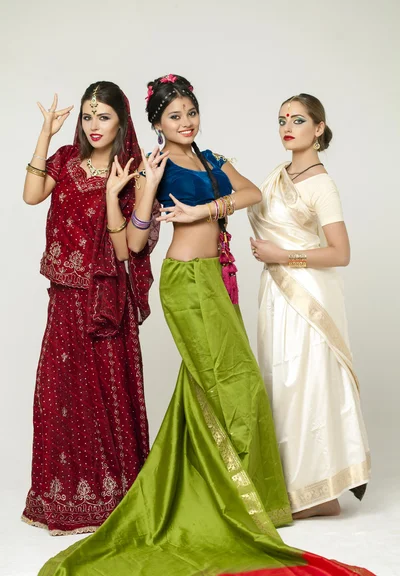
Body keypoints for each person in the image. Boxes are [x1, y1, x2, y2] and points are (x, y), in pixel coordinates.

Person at [39, 78, 374, 576]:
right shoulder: (156, 165)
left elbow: (252, 192)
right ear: (156, 124)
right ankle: (230, 495)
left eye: (190, 112)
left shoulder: (211, 158)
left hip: (219, 279)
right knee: (227, 384)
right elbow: (132, 244)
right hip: (186, 282)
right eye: (173, 116)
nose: (185, 122)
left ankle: (234, 490)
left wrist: (207, 208)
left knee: (219, 386)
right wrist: (145, 191)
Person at [22, 81, 159, 535]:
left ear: (121, 120)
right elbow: (30, 194)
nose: (93, 125)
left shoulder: (134, 173)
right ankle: (62, 498)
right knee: (60, 392)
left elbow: (128, 251)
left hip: (103, 301)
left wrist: (110, 195)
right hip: (63, 298)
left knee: (105, 394)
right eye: (87, 116)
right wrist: (45, 133)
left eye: (103, 116)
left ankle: (112, 496)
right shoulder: (64, 158)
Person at [248, 93, 370, 519]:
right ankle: (294, 487)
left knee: (307, 383)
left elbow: (340, 253)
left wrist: (283, 257)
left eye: (298, 119)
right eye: (282, 118)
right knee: (281, 383)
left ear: (318, 128)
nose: (287, 126)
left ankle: (318, 493)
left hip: (309, 294)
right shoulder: (275, 176)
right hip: (276, 294)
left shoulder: (322, 184)